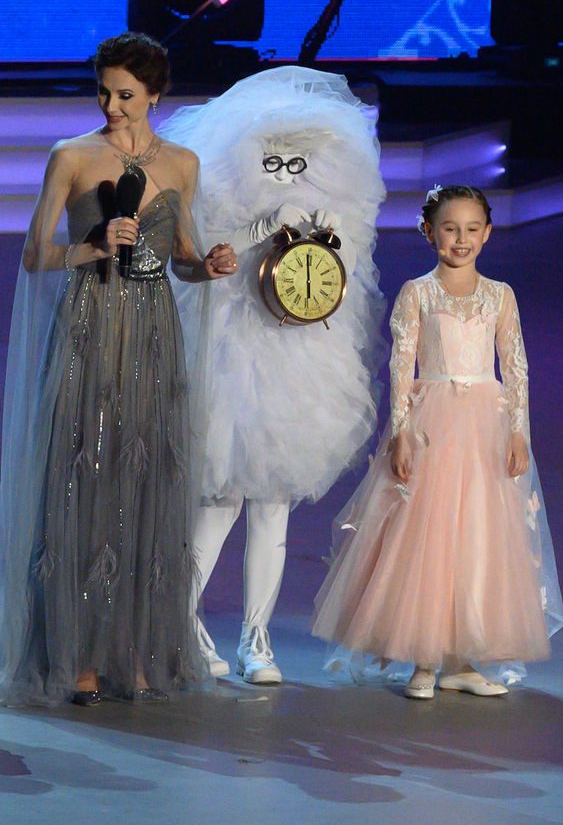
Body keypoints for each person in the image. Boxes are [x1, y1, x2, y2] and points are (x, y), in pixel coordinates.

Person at [0, 32, 236, 708]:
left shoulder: (184, 164)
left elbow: (182, 254)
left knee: (146, 484)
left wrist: (209, 265)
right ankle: (74, 655)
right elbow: (33, 256)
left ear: (156, 95)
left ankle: (130, 652)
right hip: (90, 326)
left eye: (126, 95)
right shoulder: (71, 156)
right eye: (103, 91)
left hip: (155, 335)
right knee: (84, 478)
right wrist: (93, 244)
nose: (112, 106)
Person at [159, 67, 386, 684]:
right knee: (220, 499)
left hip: (303, 354)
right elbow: (212, 253)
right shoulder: (226, 175)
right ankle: (178, 621)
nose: (290, 163)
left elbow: (346, 264)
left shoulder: (337, 182)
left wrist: (325, 235)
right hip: (238, 351)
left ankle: (255, 640)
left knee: (275, 506)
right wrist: (265, 228)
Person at [312, 185, 563, 699]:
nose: (461, 239)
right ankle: (423, 658)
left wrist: (520, 432)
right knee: (427, 536)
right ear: (429, 232)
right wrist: (402, 432)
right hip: (433, 426)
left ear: (488, 233)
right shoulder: (417, 292)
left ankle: (459, 660)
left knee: (476, 536)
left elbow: (516, 369)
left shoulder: (500, 294)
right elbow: (400, 366)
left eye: (473, 229)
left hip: (485, 428)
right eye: (450, 228)